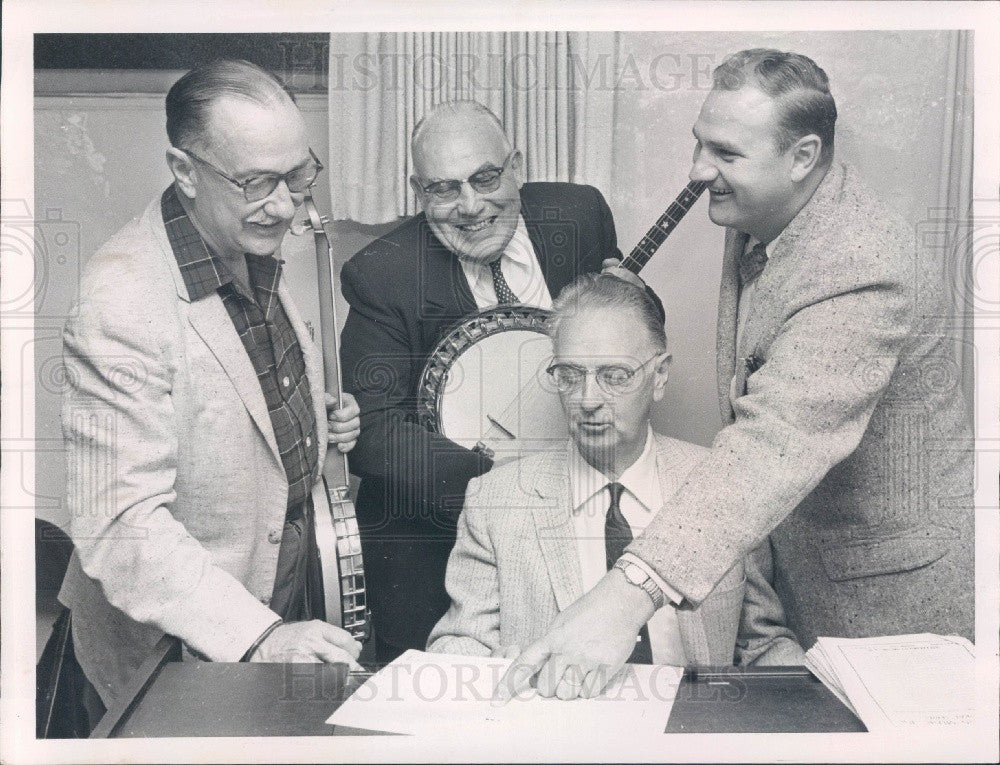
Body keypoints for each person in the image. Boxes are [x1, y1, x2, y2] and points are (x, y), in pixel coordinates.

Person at [498, 48, 974, 701]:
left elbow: (772, 442)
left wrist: (621, 597)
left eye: (725, 153)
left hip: (886, 604)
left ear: (802, 157)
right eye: (699, 143)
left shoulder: (861, 269)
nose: (698, 171)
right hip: (803, 571)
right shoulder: (763, 206)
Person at [57, 59, 364, 726]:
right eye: (256, 182)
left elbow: (233, 393)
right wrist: (258, 635)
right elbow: (121, 525)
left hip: (266, 595)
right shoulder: (121, 302)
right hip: (175, 643)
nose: (285, 204)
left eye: (298, 174)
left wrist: (312, 417)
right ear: (186, 170)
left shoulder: (241, 230)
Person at [340, 100, 646, 663]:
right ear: (417, 189)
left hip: (577, 521)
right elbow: (376, 436)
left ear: (517, 166)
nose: (471, 206)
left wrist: (635, 303)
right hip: (435, 542)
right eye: (443, 189)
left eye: (486, 178)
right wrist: (508, 485)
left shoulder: (579, 215)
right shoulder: (381, 273)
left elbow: (632, 332)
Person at [428, 274, 804, 692]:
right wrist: (489, 671)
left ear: (659, 376)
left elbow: (763, 644)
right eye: (569, 375)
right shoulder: (496, 499)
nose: (588, 400)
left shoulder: (721, 484)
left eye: (615, 375)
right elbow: (458, 644)